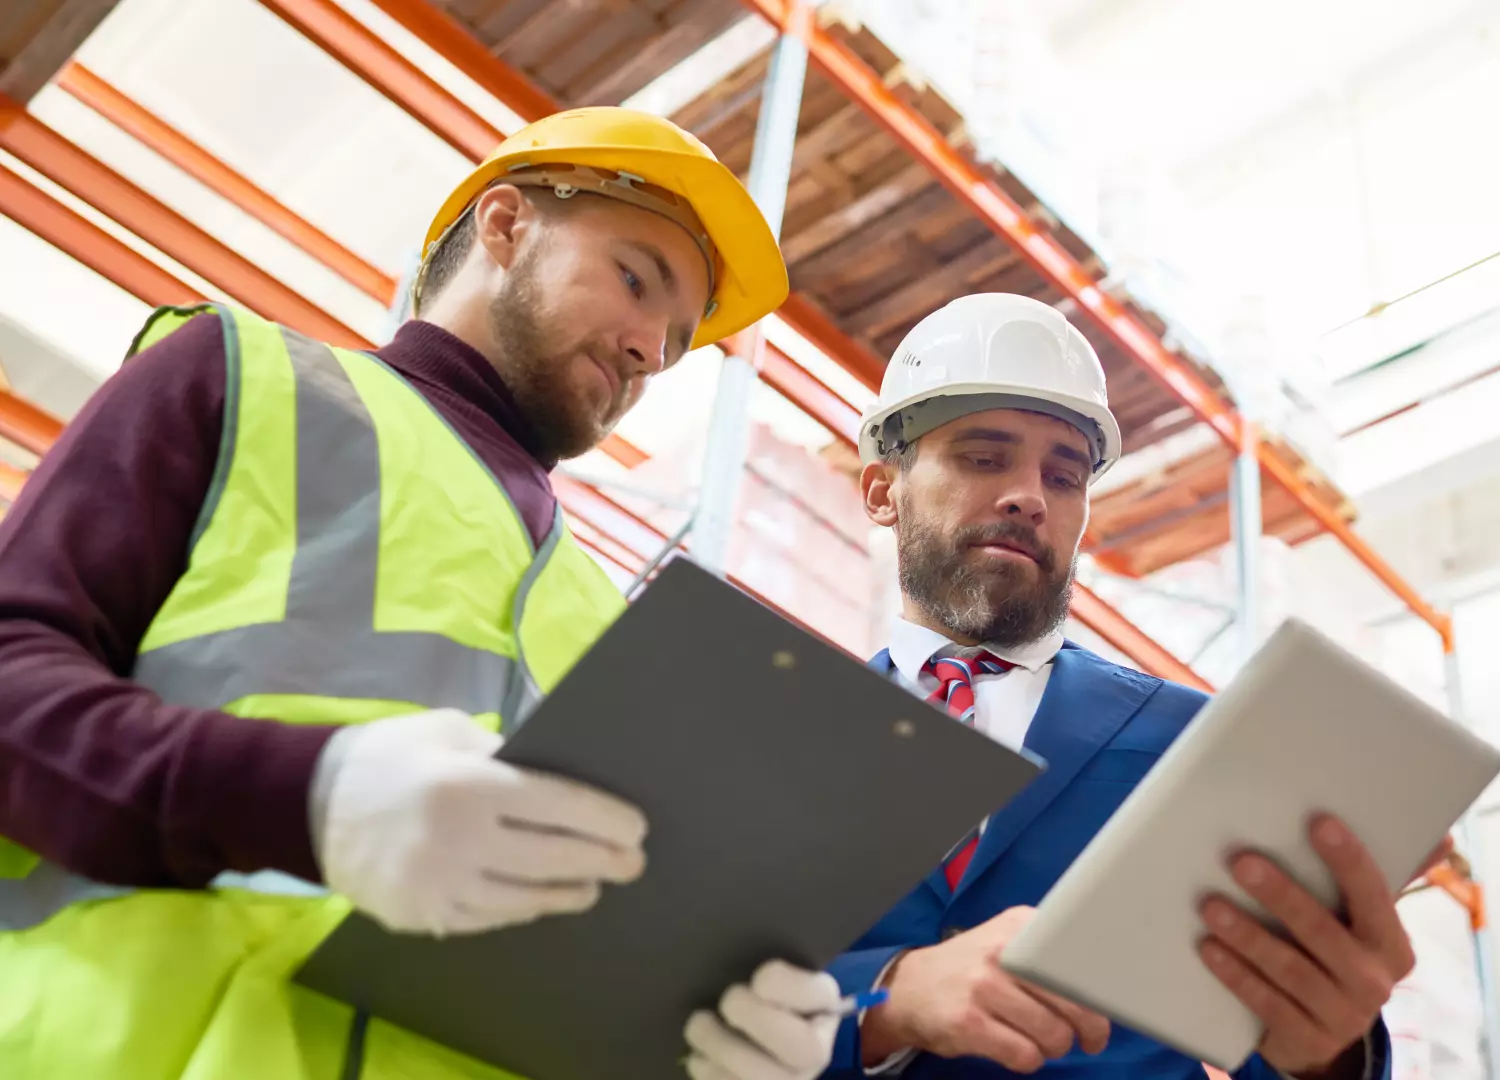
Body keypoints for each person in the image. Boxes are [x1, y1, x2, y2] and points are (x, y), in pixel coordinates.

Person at [0, 106, 843, 1080]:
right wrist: (308, 800)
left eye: (679, 339)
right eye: (635, 279)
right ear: (506, 224)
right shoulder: (245, 379)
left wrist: (689, 1024)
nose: (652, 349)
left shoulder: (607, 620)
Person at [820, 292, 1441, 1080]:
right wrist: (885, 999)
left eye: (1065, 474)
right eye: (983, 457)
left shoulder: (1198, 744)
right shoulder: (785, 743)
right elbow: (680, 1007)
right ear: (882, 491)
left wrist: (1326, 1058)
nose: (1029, 496)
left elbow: (1279, 1042)